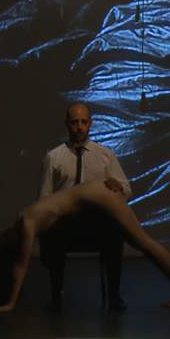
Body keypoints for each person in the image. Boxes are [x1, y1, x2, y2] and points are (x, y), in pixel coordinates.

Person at [0, 180, 170, 312]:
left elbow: (20, 265)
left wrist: (10, 303)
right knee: (140, 242)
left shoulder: (26, 223)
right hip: (96, 194)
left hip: (100, 196)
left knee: (142, 242)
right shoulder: (23, 218)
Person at [38, 101, 131, 311]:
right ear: (67, 124)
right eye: (74, 122)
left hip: (96, 222)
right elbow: (44, 198)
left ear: (90, 123)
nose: (79, 127)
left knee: (115, 234)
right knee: (52, 234)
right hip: (66, 223)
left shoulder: (105, 155)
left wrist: (118, 188)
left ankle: (114, 296)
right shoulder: (54, 157)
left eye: (83, 122)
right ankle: (56, 296)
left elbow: (127, 189)